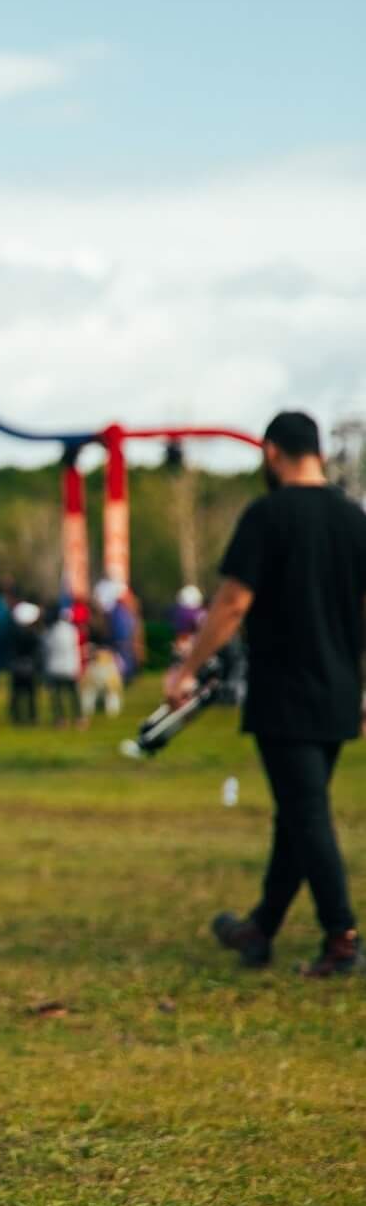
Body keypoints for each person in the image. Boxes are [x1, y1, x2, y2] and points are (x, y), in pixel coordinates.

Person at [168, 410, 366, 977]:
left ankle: (342, 938)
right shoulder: (355, 521)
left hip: (285, 693)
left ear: (272, 452)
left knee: (306, 814)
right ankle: (261, 928)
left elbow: (231, 604)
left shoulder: (267, 516)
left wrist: (186, 669)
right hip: (338, 693)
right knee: (297, 816)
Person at [44, 603, 82, 727]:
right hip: (70, 666)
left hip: (55, 667)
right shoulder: (72, 630)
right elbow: (75, 649)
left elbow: (47, 649)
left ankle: (60, 719)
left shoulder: (50, 632)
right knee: (73, 694)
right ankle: (79, 718)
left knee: (57, 695)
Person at [6, 600, 43, 724]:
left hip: (17, 666)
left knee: (17, 693)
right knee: (30, 694)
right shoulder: (33, 634)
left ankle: (17, 716)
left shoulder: (14, 632)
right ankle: (32, 716)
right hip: (29, 666)